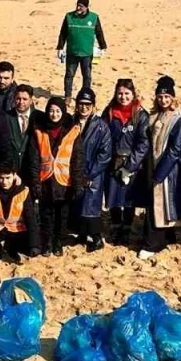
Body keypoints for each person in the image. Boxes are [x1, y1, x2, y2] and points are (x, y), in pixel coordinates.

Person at [143, 77, 181, 257]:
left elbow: (175, 150)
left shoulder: (179, 120)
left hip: (168, 171)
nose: (163, 100)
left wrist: (159, 174)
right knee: (156, 206)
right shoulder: (156, 115)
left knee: (160, 208)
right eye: (160, 97)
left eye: (167, 97)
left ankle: (153, 244)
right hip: (154, 165)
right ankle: (168, 237)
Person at [101, 78, 150, 246]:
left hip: (132, 163)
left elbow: (143, 143)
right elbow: (103, 136)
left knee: (129, 199)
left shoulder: (140, 115)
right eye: (120, 93)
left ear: (133, 94)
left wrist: (130, 166)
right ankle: (116, 226)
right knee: (113, 196)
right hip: (112, 161)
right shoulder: (109, 112)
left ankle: (127, 229)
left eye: (127, 93)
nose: (123, 97)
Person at [68, 87, 113, 253]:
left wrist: (89, 174)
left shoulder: (101, 127)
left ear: (93, 106)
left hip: (92, 175)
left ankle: (96, 238)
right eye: (81, 104)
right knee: (77, 206)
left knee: (90, 209)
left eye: (88, 104)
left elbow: (105, 154)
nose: (84, 107)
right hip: (74, 172)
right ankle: (81, 234)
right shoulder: (71, 122)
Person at [33, 96, 74, 257]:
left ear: (63, 112)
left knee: (61, 216)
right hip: (46, 180)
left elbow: (77, 158)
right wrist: (36, 182)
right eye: (51, 111)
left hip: (64, 181)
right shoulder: (39, 130)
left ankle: (58, 242)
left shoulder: (71, 131)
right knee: (46, 215)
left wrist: (77, 182)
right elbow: (34, 158)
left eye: (57, 111)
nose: (54, 114)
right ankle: (47, 243)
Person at [0, 164, 40, 263]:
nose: (4, 182)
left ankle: (9, 247)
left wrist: (34, 245)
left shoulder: (23, 191)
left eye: (7, 178)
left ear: (14, 175)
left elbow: (30, 218)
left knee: (31, 245)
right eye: (1, 178)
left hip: (16, 229)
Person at [56, 0, 107, 100]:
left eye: (81, 6)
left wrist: (103, 47)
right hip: (72, 52)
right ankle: (68, 96)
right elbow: (63, 33)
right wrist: (60, 48)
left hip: (86, 53)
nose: (78, 8)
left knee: (87, 76)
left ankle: (85, 95)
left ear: (87, 7)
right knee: (69, 75)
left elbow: (99, 33)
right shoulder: (69, 17)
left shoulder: (94, 18)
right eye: (77, 5)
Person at [4, 84, 42, 187]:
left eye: (25, 99)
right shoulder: (5, 117)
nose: (21, 102)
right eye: (18, 99)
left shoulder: (40, 117)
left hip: (33, 172)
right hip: (12, 173)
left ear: (31, 100)